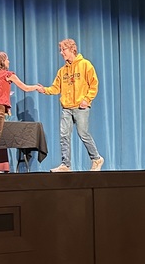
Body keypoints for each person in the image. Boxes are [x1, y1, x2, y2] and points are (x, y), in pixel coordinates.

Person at [37, 38, 104, 172]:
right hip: (67, 108)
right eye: (60, 50)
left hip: (80, 107)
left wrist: (87, 99)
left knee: (83, 133)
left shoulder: (85, 64)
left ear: (72, 49)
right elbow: (56, 88)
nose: (61, 53)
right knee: (64, 135)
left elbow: (94, 84)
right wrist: (44, 89)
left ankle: (96, 159)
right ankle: (65, 165)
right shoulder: (62, 71)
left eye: (63, 50)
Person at [0, 51, 38, 173]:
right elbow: (25, 88)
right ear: (2, 62)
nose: (9, 62)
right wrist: (37, 87)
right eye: (7, 60)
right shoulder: (7, 74)